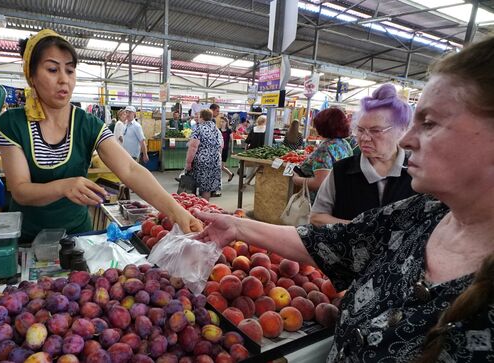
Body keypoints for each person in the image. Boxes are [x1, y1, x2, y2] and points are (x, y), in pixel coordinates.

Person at [195, 36, 494, 362]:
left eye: (431, 122)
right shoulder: (419, 214)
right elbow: (334, 241)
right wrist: (236, 226)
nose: (407, 140)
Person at [0, 29, 201, 242]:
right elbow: (20, 190)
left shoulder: (87, 124)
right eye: (53, 69)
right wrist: (64, 186)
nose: (64, 79)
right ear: (32, 76)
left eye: (70, 70)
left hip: (78, 237)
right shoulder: (13, 124)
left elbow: (129, 169)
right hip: (29, 240)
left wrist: (176, 211)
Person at [311, 84, 416, 226]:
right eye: (360, 130)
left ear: (402, 130)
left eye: (375, 131)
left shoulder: (417, 171)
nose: (364, 138)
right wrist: (361, 229)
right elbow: (317, 217)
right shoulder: (341, 171)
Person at [293, 108, 353, 203]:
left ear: (322, 126)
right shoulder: (344, 144)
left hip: (319, 202)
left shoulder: (324, 149)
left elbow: (320, 182)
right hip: (337, 199)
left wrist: (297, 179)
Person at [185, 109, 222, 201]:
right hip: (215, 160)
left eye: (198, 115)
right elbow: (221, 145)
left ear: (202, 117)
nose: (197, 117)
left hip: (202, 161)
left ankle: (193, 206)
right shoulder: (216, 129)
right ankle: (204, 207)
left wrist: (188, 163)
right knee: (207, 188)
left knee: (191, 185)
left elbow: (193, 147)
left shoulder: (199, 128)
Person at [244, 115, 267, 185]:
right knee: (262, 167)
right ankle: (259, 182)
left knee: (251, 167)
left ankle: (247, 181)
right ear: (265, 121)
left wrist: (246, 150)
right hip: (263, 151)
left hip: (252, 151)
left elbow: (248, 141)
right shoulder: (267, 129)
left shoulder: (254, 129)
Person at [219, 116, 234, 182]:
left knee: (222, 166)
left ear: (226, 123)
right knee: (218, 166)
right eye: (221, 122)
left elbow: (232, 140)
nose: (222, 123)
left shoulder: (229, 130)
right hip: (218, 150)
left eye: (223, 122)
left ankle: (230, 174)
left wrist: (231, 149)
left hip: (225, 150)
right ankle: (230, 174)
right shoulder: (218, 130)